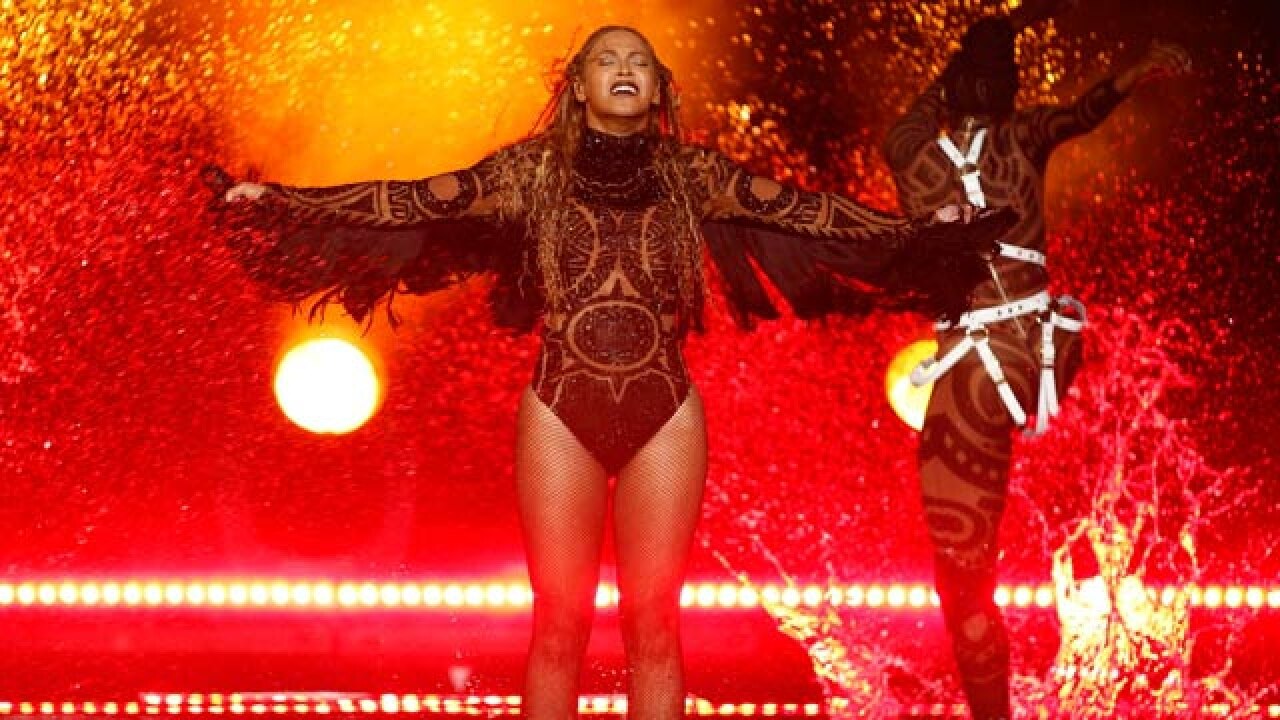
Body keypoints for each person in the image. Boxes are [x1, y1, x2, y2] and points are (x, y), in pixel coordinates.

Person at [216, 24, 1011, 719]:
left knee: (654, 621)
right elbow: (411, 200)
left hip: (665, 413)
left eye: (639, 61)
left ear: (658, 89)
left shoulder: (694, 174)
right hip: (561, 409)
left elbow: (813, 212)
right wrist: (283, 202)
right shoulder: (530, 171)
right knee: (559, 622)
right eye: (607, 59)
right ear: (580, 87)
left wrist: (926, 233)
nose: (624, 67)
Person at [881, 3, 1191, 717]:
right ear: (1010, 89)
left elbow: (924, 113)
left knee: (963, 586)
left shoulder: (910, 151)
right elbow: (1085, 111)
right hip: (1039, 352)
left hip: (975, 374)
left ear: (949, 88)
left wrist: (971, 57)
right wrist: (1137, 71)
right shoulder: (1024, 134)